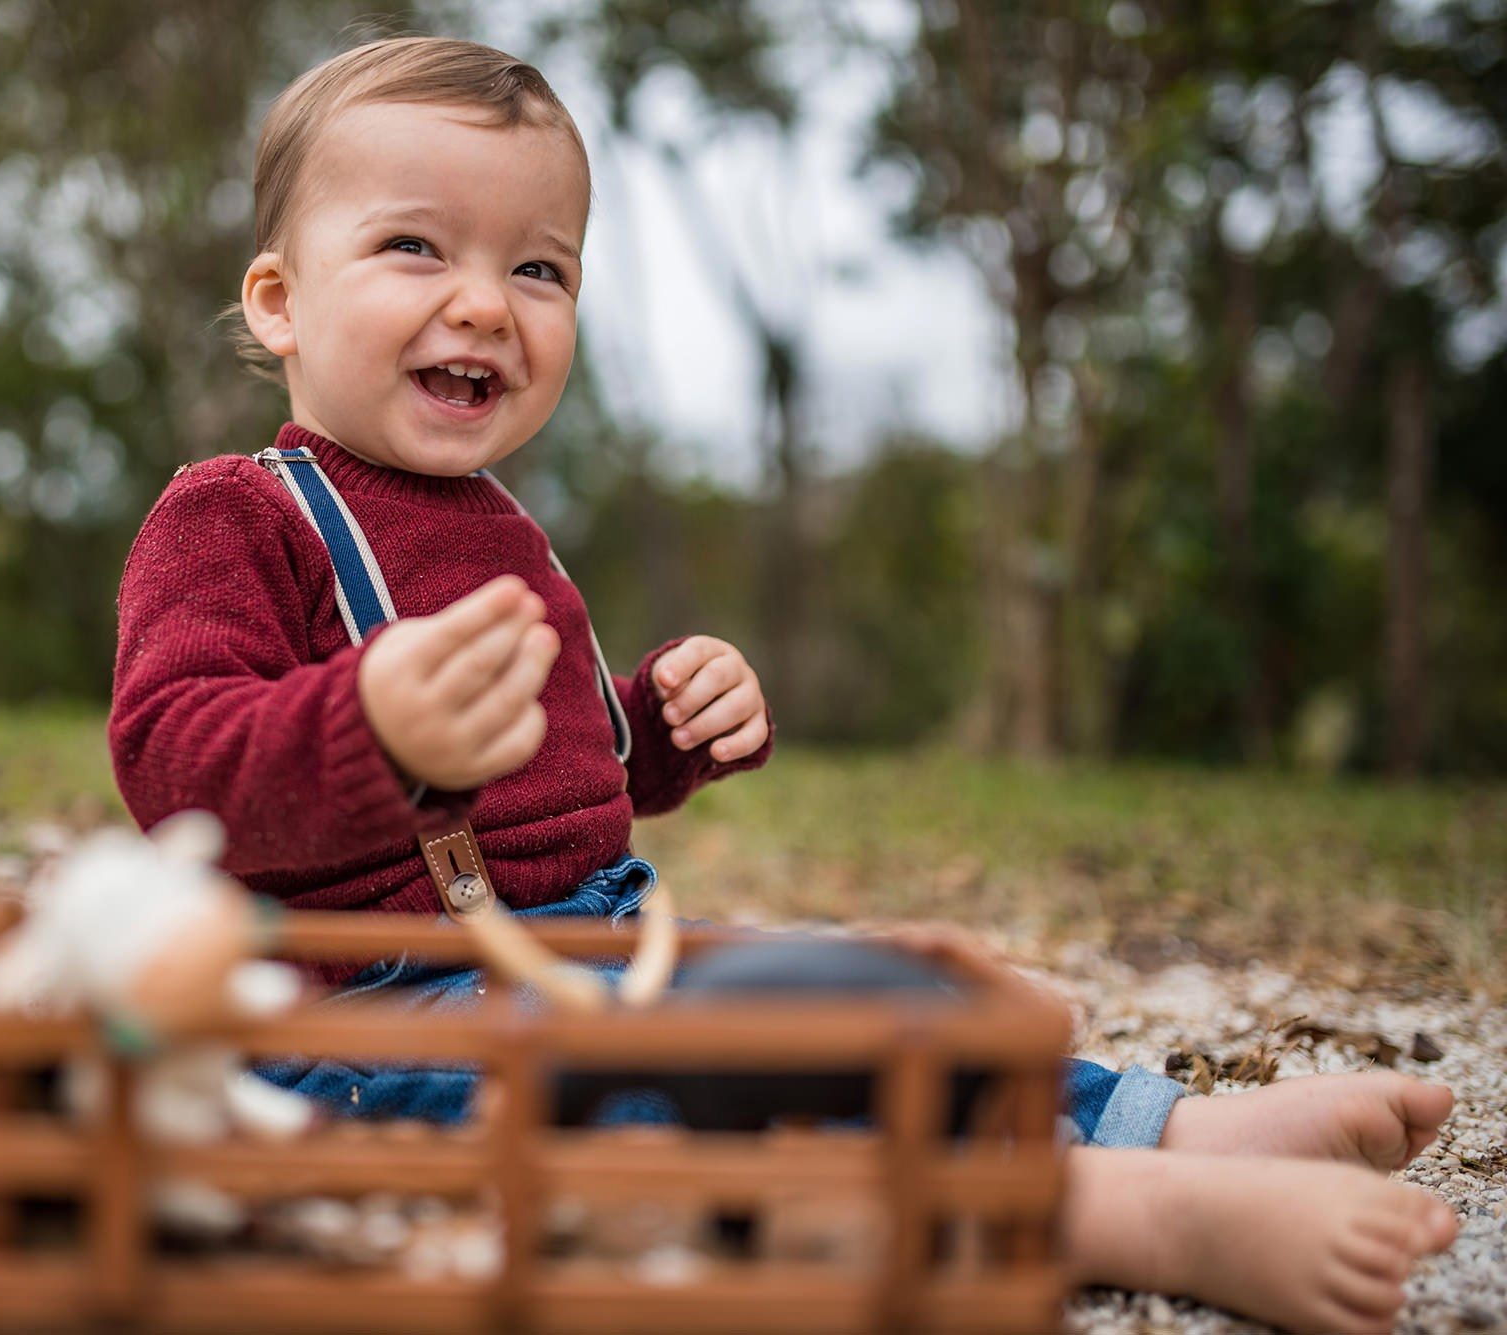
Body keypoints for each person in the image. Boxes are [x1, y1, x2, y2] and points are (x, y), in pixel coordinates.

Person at [108, 35, 1460, 1335]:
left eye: (539, 268)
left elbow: (555, 775)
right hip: (373, 1022)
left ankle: (1155, 1124)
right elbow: (174, 761)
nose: (482, 302)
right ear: (280, 299)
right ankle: (1107, 1213)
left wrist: (660, 728)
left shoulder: (502, 528)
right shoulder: (238, 519)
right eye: (415, 246)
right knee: (682, 1108)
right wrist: (369, 726)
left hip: (577, 953)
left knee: (842, 990)